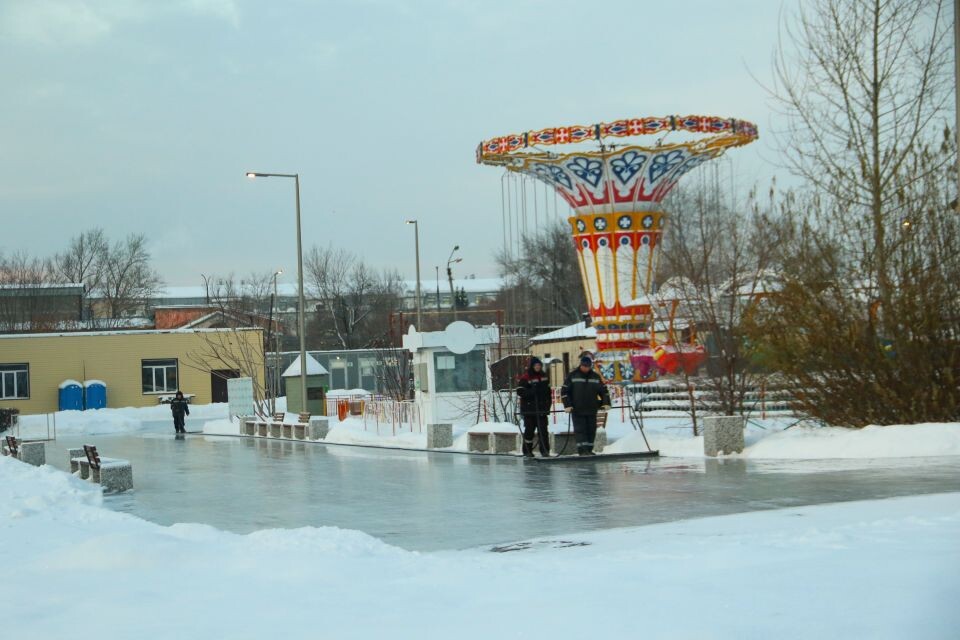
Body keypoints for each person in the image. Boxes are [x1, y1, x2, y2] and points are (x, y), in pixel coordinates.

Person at [560, 356, 611, 456]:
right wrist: (567, 405)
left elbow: (604, 391)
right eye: (584, 366)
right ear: (581, 365)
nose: (586, 368)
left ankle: (589, 449)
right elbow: (565, 391)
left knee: (591, 430)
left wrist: (606, 402)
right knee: (580, 430)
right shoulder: (573, 376)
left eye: (588, 366)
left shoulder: (595, 377)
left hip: (591, 408)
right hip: (577, 409)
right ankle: (582, 450)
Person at [516, 357, 552, 458]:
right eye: (536, 366)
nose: (538, 367)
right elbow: (520, 391)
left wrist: (548, 405)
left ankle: (545, 450)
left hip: (542, 410)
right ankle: (527, 451)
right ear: (532, 366)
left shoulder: (544, 376)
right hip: (530, 410)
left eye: (539, 366)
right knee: (529, 431)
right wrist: (531, 391)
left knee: (543, 432)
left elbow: (548, 393)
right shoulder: (526, 377)